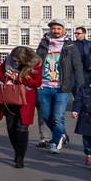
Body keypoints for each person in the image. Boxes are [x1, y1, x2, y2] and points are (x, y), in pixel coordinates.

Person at [36, 19, 85, 152]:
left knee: (58, 117)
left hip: (62, 87)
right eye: (53, 28)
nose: (55, 31)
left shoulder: (70, 47)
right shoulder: (43, 44)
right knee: (46, 116)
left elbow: (77, 67)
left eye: (58, 28)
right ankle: (61, 135)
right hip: (44, 86)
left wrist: (81, 86)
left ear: (64, 30)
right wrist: (36, 81)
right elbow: (36, 64)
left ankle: (55, 142)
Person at [0, 45, 43, 168]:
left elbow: (37, 82)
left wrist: (20, 78)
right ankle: (17, 151)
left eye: (18, 61)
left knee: (22, 129)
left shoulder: (36, 63)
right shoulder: (9, 59)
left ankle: (20, 157)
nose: (15, 62)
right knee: (11, 128)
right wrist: (8, 79)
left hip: (26, 99)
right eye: (14, 60)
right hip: (10, 97)